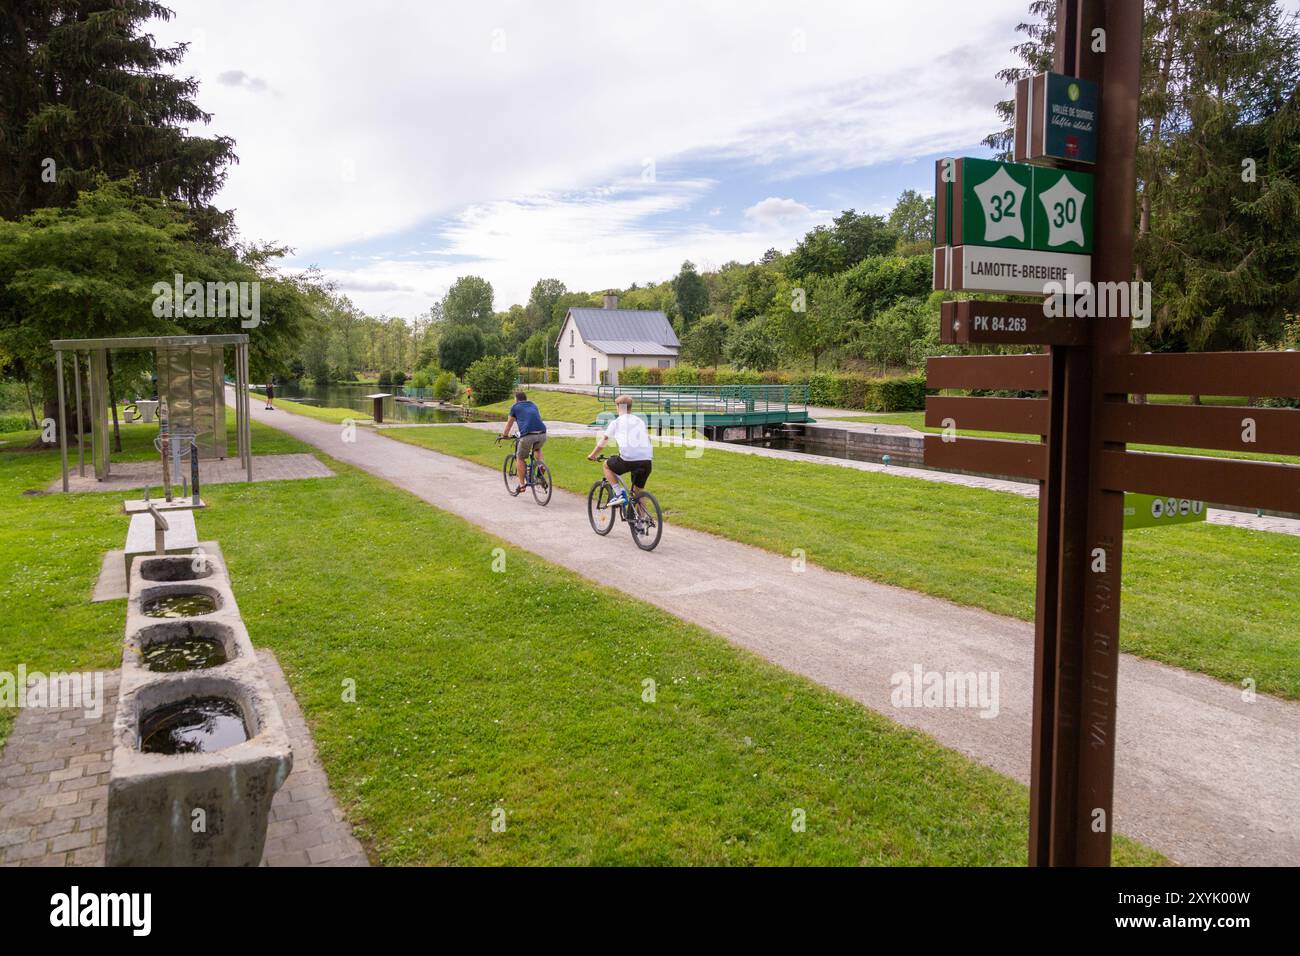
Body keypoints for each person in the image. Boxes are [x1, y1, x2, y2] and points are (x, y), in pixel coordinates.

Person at [588, 394, 652, 506]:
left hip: (628, 459)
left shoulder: (616, 422)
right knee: (638, 492)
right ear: (630, 407)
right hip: (646, 460)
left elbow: (604, 440)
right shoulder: (639, 421)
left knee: (606, 465)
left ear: (618, 407)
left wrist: (593, 455)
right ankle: (641, 521)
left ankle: (618, 494)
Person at [501, 390, 546, 494]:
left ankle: (522, 485)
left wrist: (504, 435)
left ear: (516, 400)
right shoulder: (533, 404)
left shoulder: (514, 407)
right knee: (537, 448)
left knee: (520, 458)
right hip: (542, 433)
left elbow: (509, 424)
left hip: (527, 435)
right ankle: (541, 466)